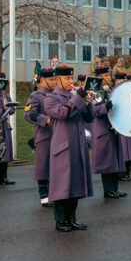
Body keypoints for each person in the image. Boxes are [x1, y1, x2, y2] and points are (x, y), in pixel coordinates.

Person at [42, 64, 95, 232]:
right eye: (66, 78)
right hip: (62, 148)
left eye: (71, 78)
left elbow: (89, 117)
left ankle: (72, 218)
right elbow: (63, 113)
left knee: (76, 183)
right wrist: (79, 98)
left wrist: (89, 102)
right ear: (57, 80)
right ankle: (61, 220)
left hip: (78, 146)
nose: (70, 81)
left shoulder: (74, 96)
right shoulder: (51, 98)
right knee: (62, 185)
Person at [86, 64, 127, 200]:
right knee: (107, 162)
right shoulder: (94, 91)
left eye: (109, 75)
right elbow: (95, 111)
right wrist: (106, 106)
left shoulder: (109, 90)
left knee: (115, 160)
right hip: (103, 130)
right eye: (106, 75)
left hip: (113, 129)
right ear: (99, 77)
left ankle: (115, 188)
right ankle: (108, 190)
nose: (109, 77)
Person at [26, 63, 56, 206]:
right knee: (43, 167)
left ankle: (55, 194)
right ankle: (44, 196)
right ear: (42, 81)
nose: (53, 82)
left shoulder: (57, 94)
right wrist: (45, 120)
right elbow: (29, 114)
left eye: (54, 79)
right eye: (50, 80)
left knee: (56, 165)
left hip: (58, 135)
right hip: (44, 136)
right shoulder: (36, 96)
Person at [114, 69, 131, 180]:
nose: (123, 82)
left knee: (130, 148)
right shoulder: (114, 91)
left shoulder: (127, 91)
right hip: (119, 124)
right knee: (123, 150)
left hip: (128, 122)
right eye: (120, 80)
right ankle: (122, 173)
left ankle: (128, 170)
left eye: (124, 80)